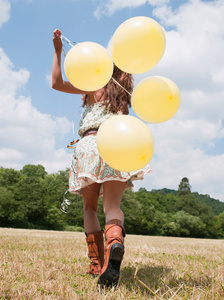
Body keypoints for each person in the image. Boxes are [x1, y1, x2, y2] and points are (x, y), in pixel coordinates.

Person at [52, 29, 151, 287]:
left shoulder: (92, 84)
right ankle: (115, 242)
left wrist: (57, 51)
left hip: (91, 143)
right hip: (120, 142)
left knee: (89, 208)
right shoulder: (124, 88)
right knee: (112, 207)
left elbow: (56, 84)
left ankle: (97, 263)